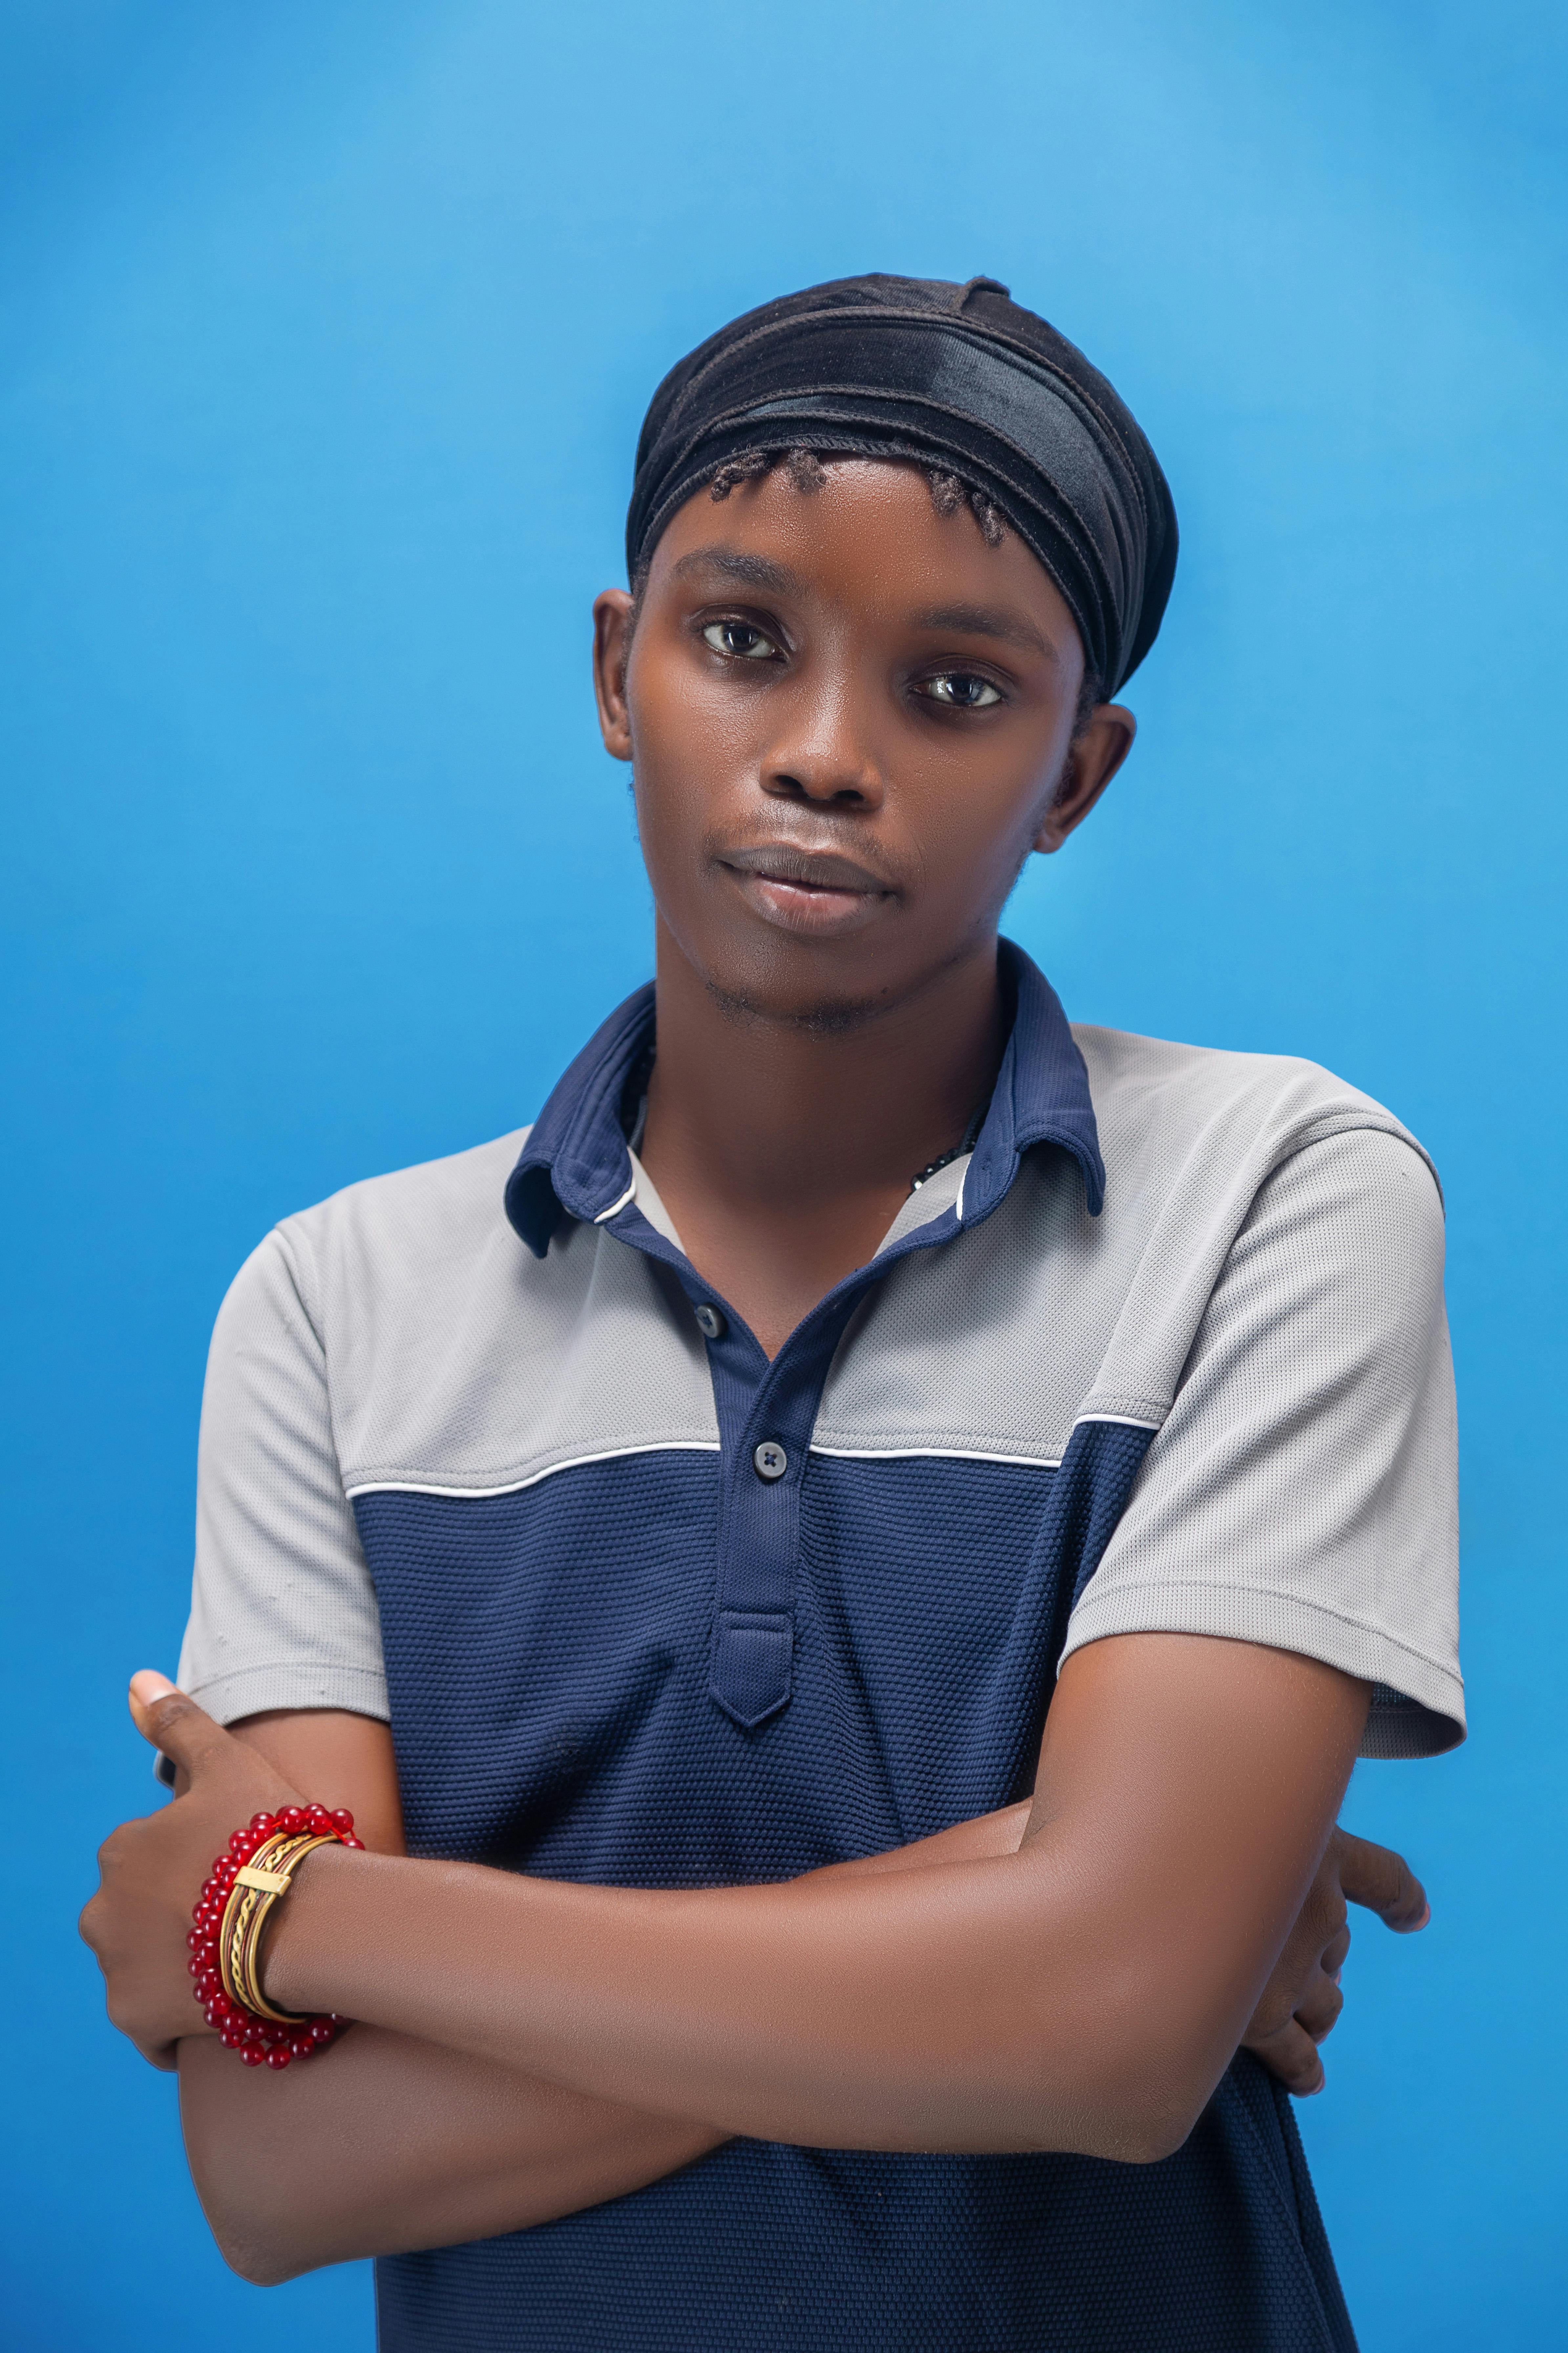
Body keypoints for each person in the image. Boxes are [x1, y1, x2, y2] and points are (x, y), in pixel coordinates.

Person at [82, 273, 1459, 2353]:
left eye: (958, 689)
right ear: (623, 669)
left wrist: (305, 1918)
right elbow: (290, 2172)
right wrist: (1037, 1888)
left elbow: (1101, 2033)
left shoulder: (1283, 1190)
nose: (827, 756)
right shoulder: (334, 1303)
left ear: (1078, 772)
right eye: (744, 644)